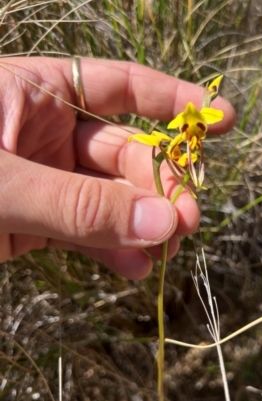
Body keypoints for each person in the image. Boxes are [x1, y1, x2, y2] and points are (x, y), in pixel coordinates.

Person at [0, 57, 236, 280]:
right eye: (188, 126)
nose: (193, 132)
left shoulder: (203, 118)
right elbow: (171, 138)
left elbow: (191, 135)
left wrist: (184, 144)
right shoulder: (175, 134)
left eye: (196, 128)